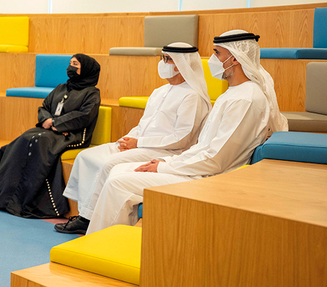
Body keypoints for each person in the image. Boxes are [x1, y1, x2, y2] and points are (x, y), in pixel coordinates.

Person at [86, 30, 288, 233]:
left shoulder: (245, 99)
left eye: (217, 53)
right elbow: (204, 147)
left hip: (211, 178)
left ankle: (102, 243)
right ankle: (115, 241)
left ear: (234, 59)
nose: (212, 60)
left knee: (118, 182)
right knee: (118, 171)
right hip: (198, 168)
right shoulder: (234, 93)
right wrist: (168, 162)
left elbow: (216, 160)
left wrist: (165, 167)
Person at [56, 42, 211, 234]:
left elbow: (183, 138)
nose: (162, 63)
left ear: (181, 64)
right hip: (139, 143)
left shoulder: (193, 96)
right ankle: (85, 213)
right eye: (163, 58)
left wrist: (138, 143)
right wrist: (128, 139)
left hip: (165, 151)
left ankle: (87, 219)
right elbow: (144, 124)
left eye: (167, 59)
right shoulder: (160, 91)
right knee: (85, 156)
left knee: (109, 165)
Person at [0, 54, 102, 218]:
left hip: (73, 135)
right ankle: (6, 197)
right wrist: (48, 121)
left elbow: (84, 116)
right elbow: (44, 106)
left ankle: (29, 202)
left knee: (40, 142)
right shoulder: (61, 87)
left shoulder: (92, 93)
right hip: (51, 130)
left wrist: (56, 123)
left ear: (86, 69)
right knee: (24, 139)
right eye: (70, 63)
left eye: (75, 64)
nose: (70, 67)